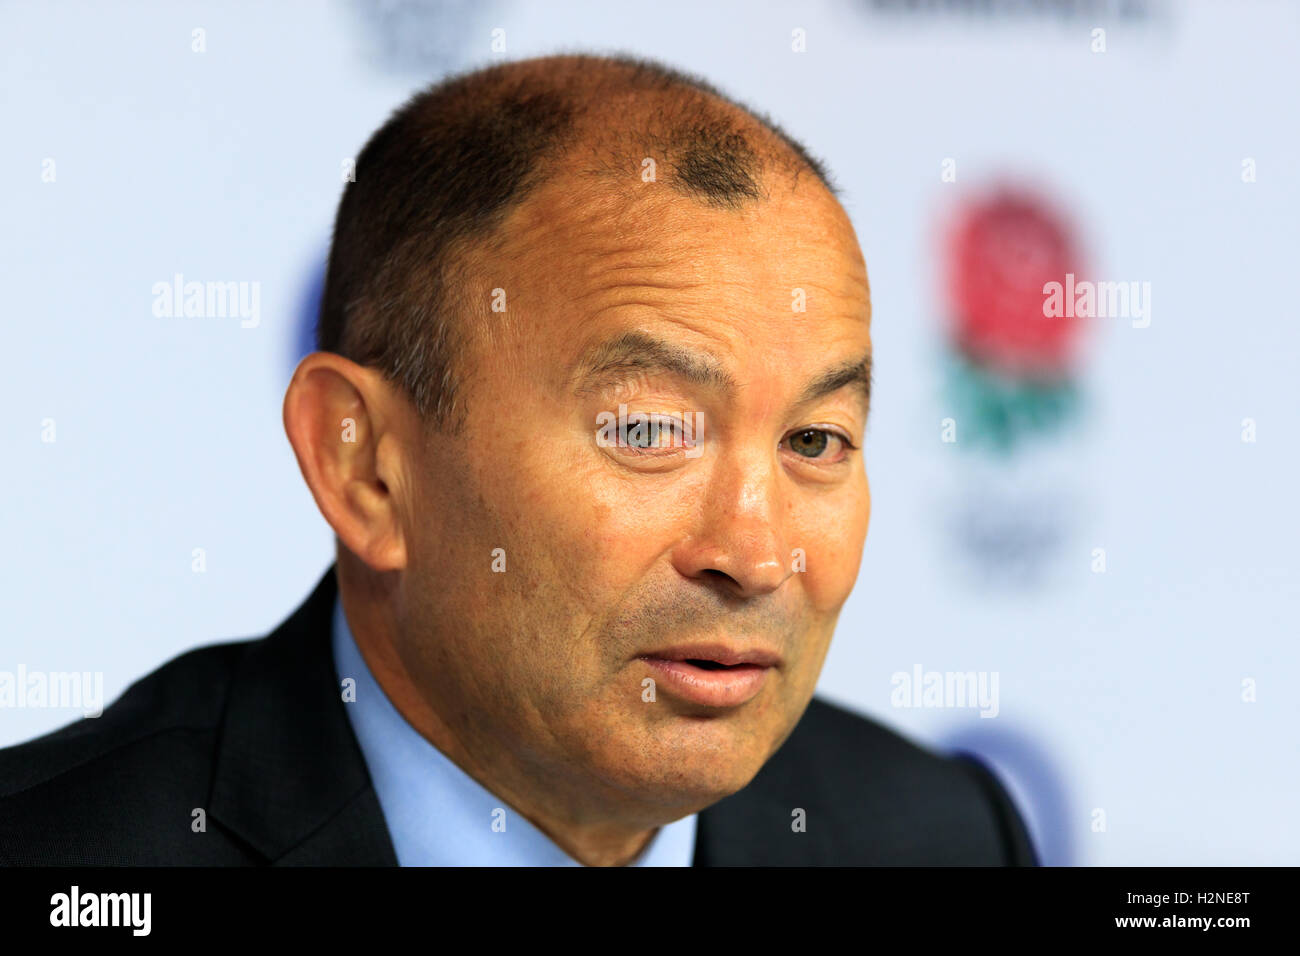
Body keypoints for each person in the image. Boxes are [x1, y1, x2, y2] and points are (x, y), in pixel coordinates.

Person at [0, 53, 1037, 866]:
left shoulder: (935, 835)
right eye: (646, 428)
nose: (755, 554)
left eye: (814, 441)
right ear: (363, 465)